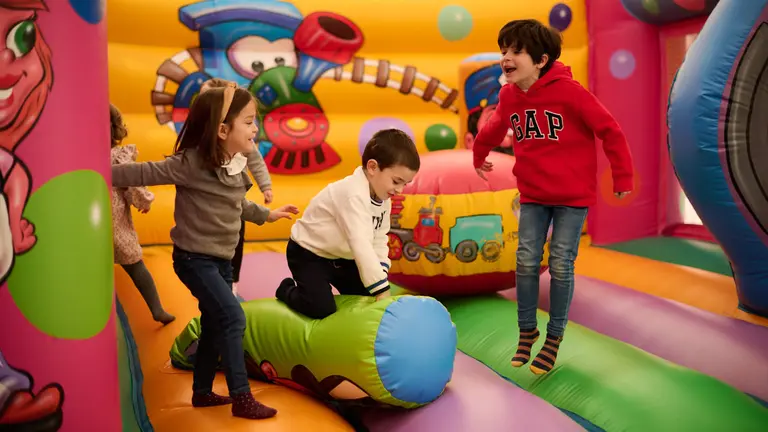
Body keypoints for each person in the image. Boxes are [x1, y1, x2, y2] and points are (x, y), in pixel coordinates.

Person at [111, 82, 299, 419]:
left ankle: (201, 392)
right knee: (232, 316)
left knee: (214, 321)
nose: (255, 128)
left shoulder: (234, 162)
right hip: (193, 260)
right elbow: (145, 172)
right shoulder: (190, 163)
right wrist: (101, 172)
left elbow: (237, 203)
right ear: (223, 129)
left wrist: (267, 214)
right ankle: (241, 398)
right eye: (249, 121)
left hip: (222, 260)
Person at [472, 19, 634, 375]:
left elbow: (610, 130)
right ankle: (527, 330)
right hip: (533, 193)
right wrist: (478, 154)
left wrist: (622, 174)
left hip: (572, 197)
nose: (506, 58)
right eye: (503, 50)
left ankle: (554, 337)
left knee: (561, 264)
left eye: (516, 51)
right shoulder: (509, 95)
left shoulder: (570, 93)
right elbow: (495, 126)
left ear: (541, 60)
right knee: (526, 261)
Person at [276, 129, 420, 319]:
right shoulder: (352, 194)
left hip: (343, 258)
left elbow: (379, 238)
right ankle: (286, 290)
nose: (400, 190)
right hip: (309, 254)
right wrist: (381, 290)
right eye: (396, 181)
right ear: (372, 167)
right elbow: (360, 243)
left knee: (367, 296)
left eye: (405, 184)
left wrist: (380, 274)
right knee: (321, 309)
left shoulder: (383, 197)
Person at [199, 78, 274, 296]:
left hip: (235, 202)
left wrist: (265, 186)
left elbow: (256, 161)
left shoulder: (240, 140)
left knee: (236, 239)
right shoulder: (203, 140)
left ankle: (232, 280)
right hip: (210, 206)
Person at [109, 103, 175, 325]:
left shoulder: (117, 155)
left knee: (135, 264)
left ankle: (156, 309)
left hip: (114, 221)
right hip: (100, 220)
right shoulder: (83, 156)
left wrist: (142, 199)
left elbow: (132, 180)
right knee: (133, 264)